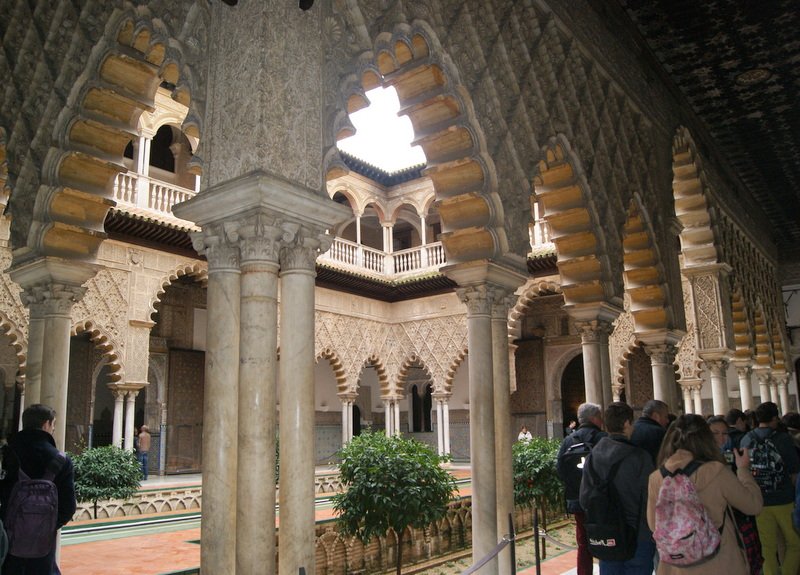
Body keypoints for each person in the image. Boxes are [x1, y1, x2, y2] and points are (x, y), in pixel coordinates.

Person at [647, 414, 762, 575]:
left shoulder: (657, 477)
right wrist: (743, 470)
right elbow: (753, 505)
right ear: (705, 438)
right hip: (719, 561)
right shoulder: (716, 471)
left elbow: (654, 525)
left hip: (677, 566)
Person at [0, 404, 77, 575]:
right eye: (53, 425)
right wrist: (45, 524)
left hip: (8, 539)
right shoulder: (61, 460)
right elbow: (68, 507)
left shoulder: (6, 454)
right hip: (43, 546)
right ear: (46, 424)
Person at [580, 402, 654, 575]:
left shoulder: (593, 457)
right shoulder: (640, 457)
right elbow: (650, 498)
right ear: (627, 423)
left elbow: (585, 498)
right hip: (638, 536)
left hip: (607, 535)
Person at [740, 401, 800, 575]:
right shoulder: (782, 438)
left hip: (759, 500)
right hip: (784, 498)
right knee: (794, 542)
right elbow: (794, 470)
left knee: (767, 546)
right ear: (774, 418)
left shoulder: (747, 439)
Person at [556, 402, 606, 575]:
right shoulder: (603, 439)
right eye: (600, 417)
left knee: (583, 543)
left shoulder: (568, 441)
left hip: (577, 500)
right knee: (606, 539)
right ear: (594, 419)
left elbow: (560, 469)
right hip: (601, 501)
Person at [631, 399, 669, 465]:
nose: (667, 421)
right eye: (665, 417)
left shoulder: (631, 429)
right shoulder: (659, 432)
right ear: (656, 416)